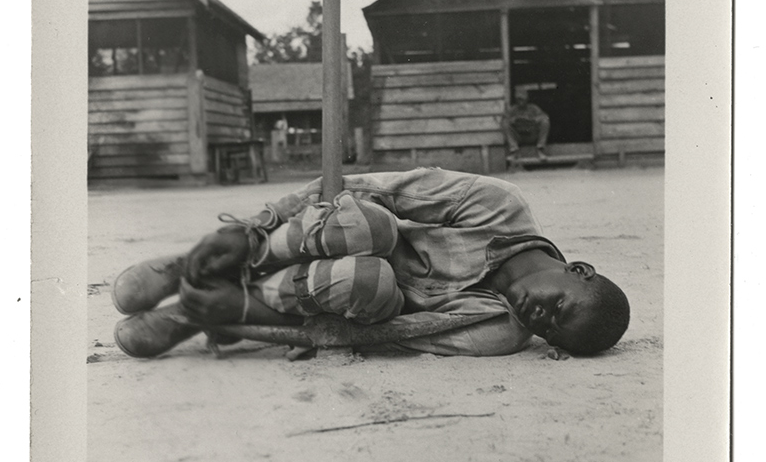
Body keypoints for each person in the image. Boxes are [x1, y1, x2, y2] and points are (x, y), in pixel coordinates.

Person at [111, 168, 630, 360]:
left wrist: (245, 319)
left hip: (319, 290)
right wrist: (248, 227)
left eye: (553, 337)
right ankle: (196, 265)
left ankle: (199, 310)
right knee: (373, 225)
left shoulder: (500, 331)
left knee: (372, 280)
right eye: (559, 308)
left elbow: (382, 336)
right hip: (302, 241)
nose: (542, 324)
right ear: (577, 270)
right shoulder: (499, 204)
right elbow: (364, 187)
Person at [502, 88, 551, 162]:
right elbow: (505, 119)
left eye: (522, 99)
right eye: (518, 99)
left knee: (545, 122)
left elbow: (544, 117)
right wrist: (514, 120)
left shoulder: (533, 108)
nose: (520, 102)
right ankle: (514, 151)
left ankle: (540, 149)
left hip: (532, 135)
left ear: (527, 99)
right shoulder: (512, 109)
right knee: (505, 124)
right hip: (519, 137)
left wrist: (533, 119)